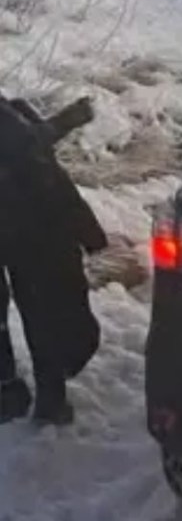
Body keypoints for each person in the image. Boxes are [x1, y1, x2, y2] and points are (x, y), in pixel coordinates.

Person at [0, 97, 108, 425]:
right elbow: (25, 147)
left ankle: (12, 393)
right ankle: (46, 398)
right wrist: (64, 122)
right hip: (28, 227)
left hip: (22, 222)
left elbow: (25, 145)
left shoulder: (11, 112)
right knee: (43, 311)